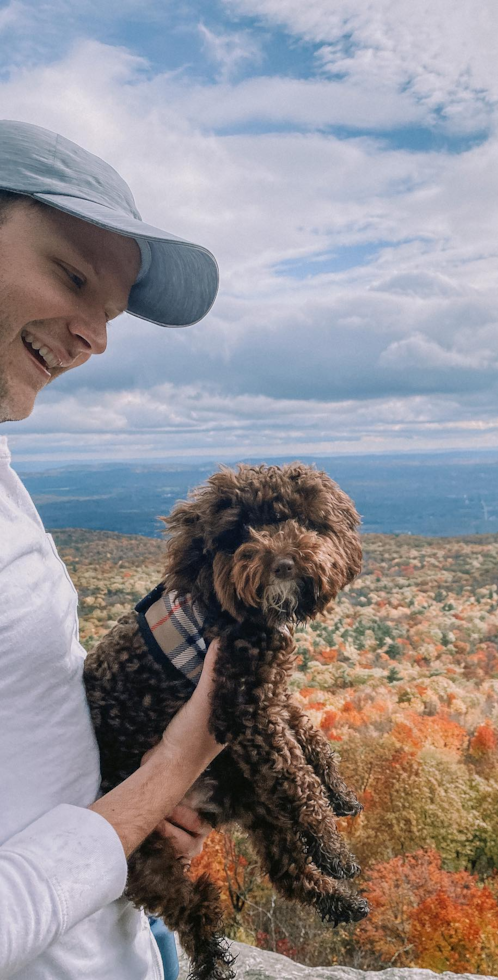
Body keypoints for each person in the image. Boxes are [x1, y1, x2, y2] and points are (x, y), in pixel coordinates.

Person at [0, 120, 223, 979]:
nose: (94, 337)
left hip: (119, 939)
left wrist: (116, 781)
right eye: (70, 273)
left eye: (111, 312)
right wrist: (167, 774)